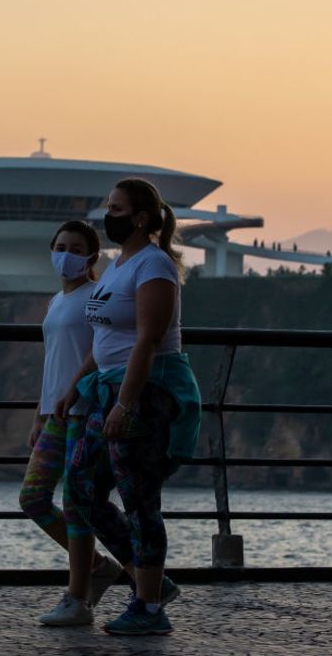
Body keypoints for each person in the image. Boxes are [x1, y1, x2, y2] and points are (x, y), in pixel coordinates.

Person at [61, 177, 202, 636]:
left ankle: (148, 605)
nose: (109, 215)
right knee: (81, 491)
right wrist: (74, 387)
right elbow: (104, 339)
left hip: (145, 393)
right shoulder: (119, 265)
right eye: (108, 206)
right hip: (106, 390)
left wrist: (125, 405)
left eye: (117, 209)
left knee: (140, 500)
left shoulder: (154, 266)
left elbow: (148, 339)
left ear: (141, 217)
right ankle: (153, 584)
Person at [18, 220, 123, 626]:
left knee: (78, 506)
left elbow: (99, 352)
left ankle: (78, 598)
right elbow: (52, 361)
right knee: (34, 498)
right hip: (55, 414)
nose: (66, 254)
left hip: (84, 410)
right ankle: (97, 567)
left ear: (92, 256)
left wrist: (76, 391)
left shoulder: (95, 295)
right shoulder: (55, 301)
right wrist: (38, 414)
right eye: (60, 246)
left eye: (76, 248)